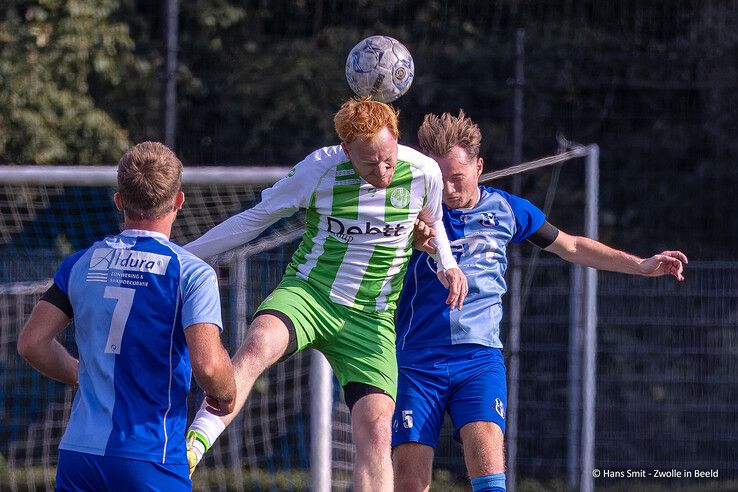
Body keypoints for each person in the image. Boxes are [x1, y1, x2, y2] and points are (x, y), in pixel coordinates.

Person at [391, 110, 688, 492]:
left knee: (490, 481)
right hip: (417, 360)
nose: (447, 190)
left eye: (457, 179)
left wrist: (642, 265)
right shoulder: (409, 214)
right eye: (438, 180)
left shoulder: (507, 211)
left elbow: (573, 246)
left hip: (479, 361)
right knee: (411, 485)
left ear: (479, 167)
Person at [183, 97, 467, 491]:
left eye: (388, 158)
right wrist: (181, 255)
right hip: (310, 294)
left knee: (376, 431)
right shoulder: (319, 169)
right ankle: (192, 449)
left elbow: (433, 225)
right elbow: (254, 220)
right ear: (346, 150)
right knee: (258, 344)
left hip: (373, 317)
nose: (383, 171)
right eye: (370, 163)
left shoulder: (424, 172)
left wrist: (448, 265)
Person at [17, 142, 237, 491]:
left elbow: (31, 343)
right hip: (151, 455)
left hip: (79, 456)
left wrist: (82, 374)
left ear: (119, 201)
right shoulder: (191, 273)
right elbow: (208, 366)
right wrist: (226, 391)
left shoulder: (80, 264)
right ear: (179, 201)